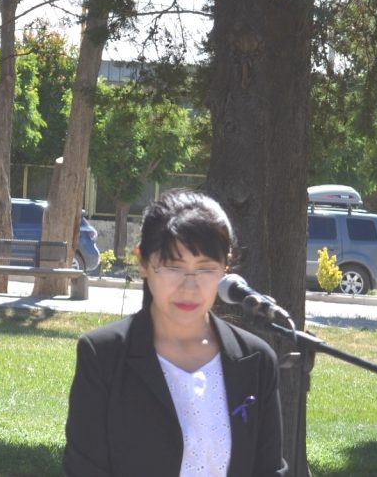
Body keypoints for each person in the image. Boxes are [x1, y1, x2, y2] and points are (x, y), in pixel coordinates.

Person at [63, 189, 286, 476]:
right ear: (143, 262)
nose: (189, 287)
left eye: (206, 269)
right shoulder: (103, 355)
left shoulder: (256, 359)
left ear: (226, 269)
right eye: (173, 267)